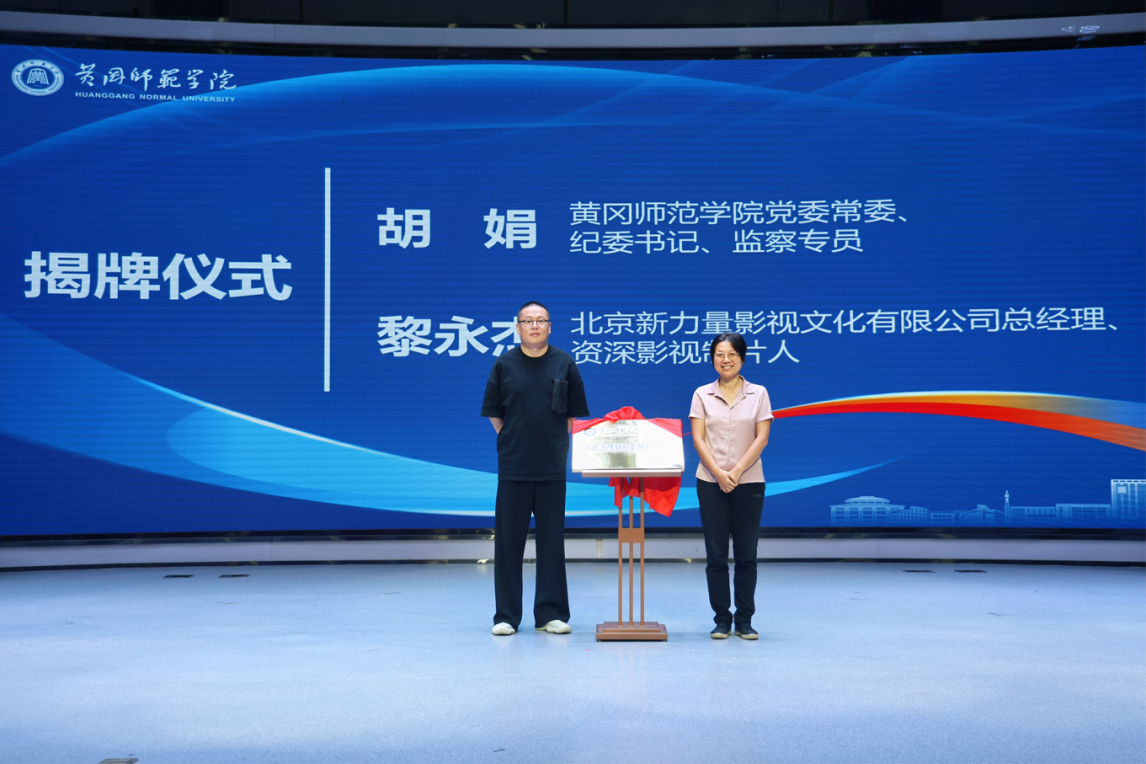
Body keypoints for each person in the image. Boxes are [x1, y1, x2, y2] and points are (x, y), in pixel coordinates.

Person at [480, 301, 590, 636]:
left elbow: (572, 415)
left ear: (550, 326)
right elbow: (495, 413)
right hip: (513, 466)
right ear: (518, 327)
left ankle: (549, 614)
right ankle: (506, 616)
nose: (534, 326)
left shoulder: (564, 362)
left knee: (552, 544)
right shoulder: (504, 364)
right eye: (527, 321)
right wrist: (514, 438)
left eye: (540, 320)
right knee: (508, 544)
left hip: (551, 468)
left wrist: (551, 443)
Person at [689, 332, 773, 640]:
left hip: (749, 482)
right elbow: (698, 439)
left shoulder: (759, 393)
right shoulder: (702, 394)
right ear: (712, 359)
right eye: (719, 354)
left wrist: (735, 471)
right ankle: (722, 619)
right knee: (716, 555)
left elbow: (762, 438)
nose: (725, 360)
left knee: (746, 554)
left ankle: (744, 619)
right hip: (710, 482)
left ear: (742, 358)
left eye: (732, 354)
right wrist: (718, 473)